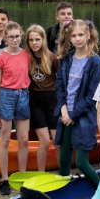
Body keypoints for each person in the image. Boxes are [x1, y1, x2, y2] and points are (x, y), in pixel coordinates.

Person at [56, 20, 100, 188]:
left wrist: (73, 115)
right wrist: (64, 112)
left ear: (88, 35)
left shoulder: (94, 61)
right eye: (74, 35)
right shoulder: (67, 59)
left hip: (82, 117)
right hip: (65, 115)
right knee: (64, 159)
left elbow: (92, 96)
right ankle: (62, 191)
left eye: (81, 35)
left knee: (82, 162)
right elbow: (60, 86)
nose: (77, 39)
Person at [0, 22, 32, 195]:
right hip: (6, 96)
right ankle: (4, 178)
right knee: (5, 140)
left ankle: (22, 175)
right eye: (11, 37)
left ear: (21, 36)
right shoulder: (0, 58)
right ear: (5, 38)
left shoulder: (27, 55)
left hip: (23, 95)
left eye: (17, 36)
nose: (14, 39)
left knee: (23, 139)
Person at [26, 24, 61, 172]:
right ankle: (41, 172)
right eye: (31, 40)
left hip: (52, 99)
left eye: (37, 39)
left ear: (43, 40)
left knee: (57, 141)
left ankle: (62, 171)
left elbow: (61, 82)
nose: (34, 43)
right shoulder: (26, 59)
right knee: (45, 141)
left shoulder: (53, 58)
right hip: (35, 100)